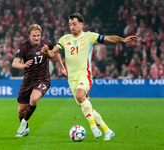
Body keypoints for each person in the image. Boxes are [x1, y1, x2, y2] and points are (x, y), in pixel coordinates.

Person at [41, 13, 138, 141]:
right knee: (87, 107)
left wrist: (123, 40)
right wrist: (46, 52)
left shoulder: (89, 36)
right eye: (70, 25)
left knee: (80, 96)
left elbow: (109, 39)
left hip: (84, 74)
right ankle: (108, 131)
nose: (72, 27)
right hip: (71, 79)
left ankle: (93, 128)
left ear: (82, 24)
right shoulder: (64, 39)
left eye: (75, 24)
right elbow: (52, 54)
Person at [12, 24, 66, 137]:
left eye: (38, 35)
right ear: (29, 35)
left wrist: (62, 67)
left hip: (43, 79)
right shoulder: (24, 47)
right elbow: (14, 63)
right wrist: (23, 65)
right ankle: (25, 128)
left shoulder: (47, 43)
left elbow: (55, 54)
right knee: (21, 110)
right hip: (28, 80)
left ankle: (23, 123)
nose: (36, 38)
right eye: (34, 36)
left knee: (34, 98)